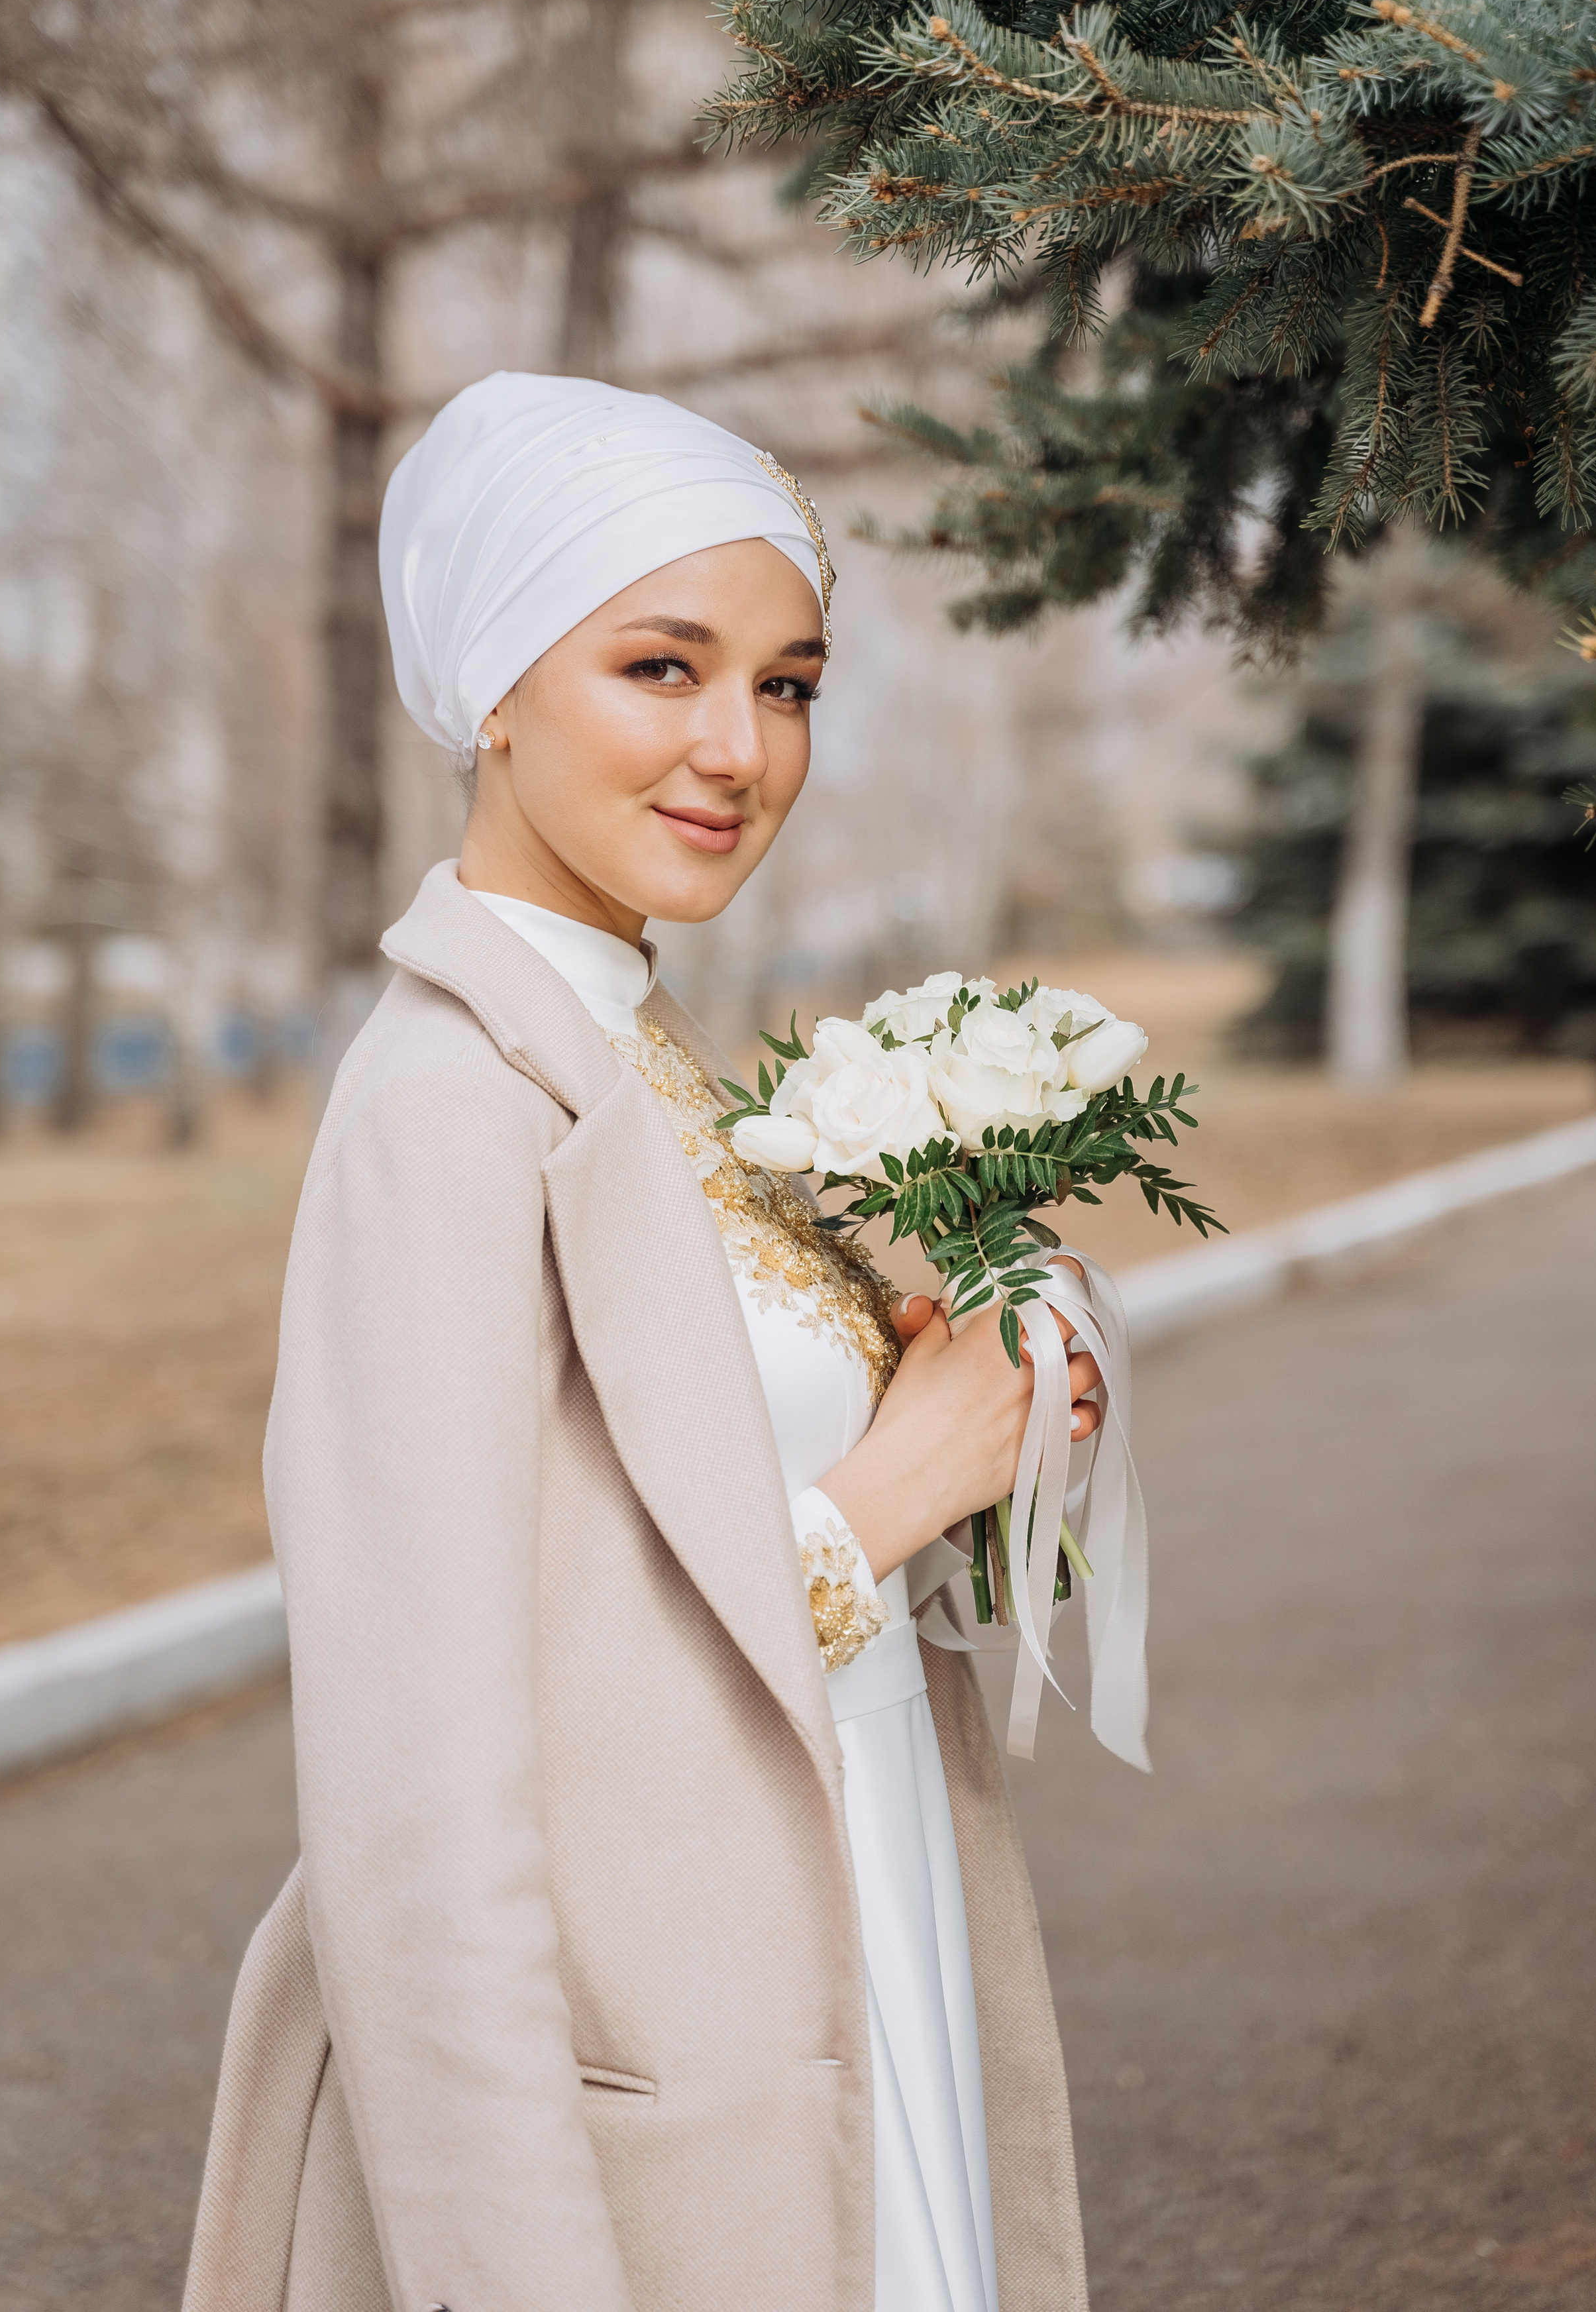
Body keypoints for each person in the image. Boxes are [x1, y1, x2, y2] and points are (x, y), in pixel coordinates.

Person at [184, 373, 1106, 2312]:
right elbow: (417, 1797)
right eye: (663, 667)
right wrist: (875, 1511)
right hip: (644, 2092)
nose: (736, 749)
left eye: (786, 684)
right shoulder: (447, 1103)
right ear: (498, 685)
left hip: (855, 1955)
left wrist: (987, 1356)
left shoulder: (654, 1066)